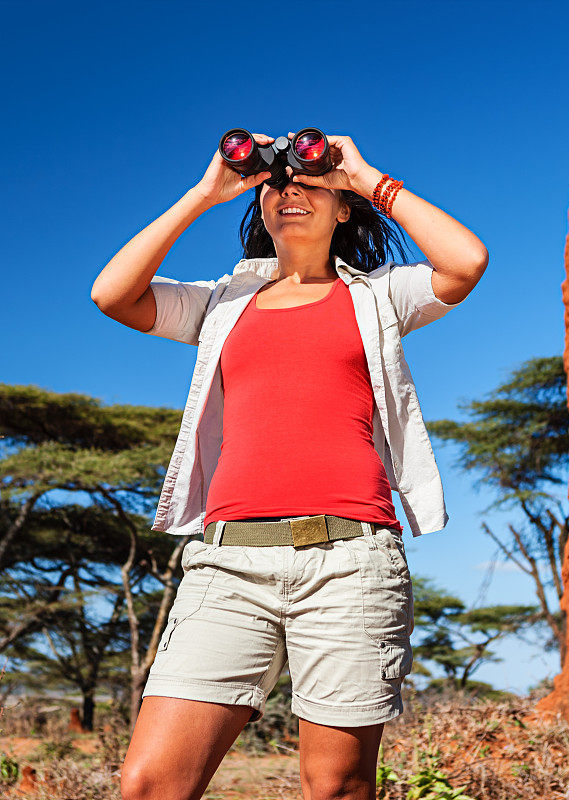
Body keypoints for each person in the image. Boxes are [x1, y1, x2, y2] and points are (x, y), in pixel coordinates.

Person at [91, 130, 488, 800]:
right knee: (148, 783)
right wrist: (206, 192)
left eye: (310, 182)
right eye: (277, 183)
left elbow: (466, 261)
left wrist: (361, 174)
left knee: (334, 786)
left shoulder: (379, 298)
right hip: (227, 564)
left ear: (343, 211)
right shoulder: (220, 303)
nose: (290, 191)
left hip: (350, 563)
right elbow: (112, 293)